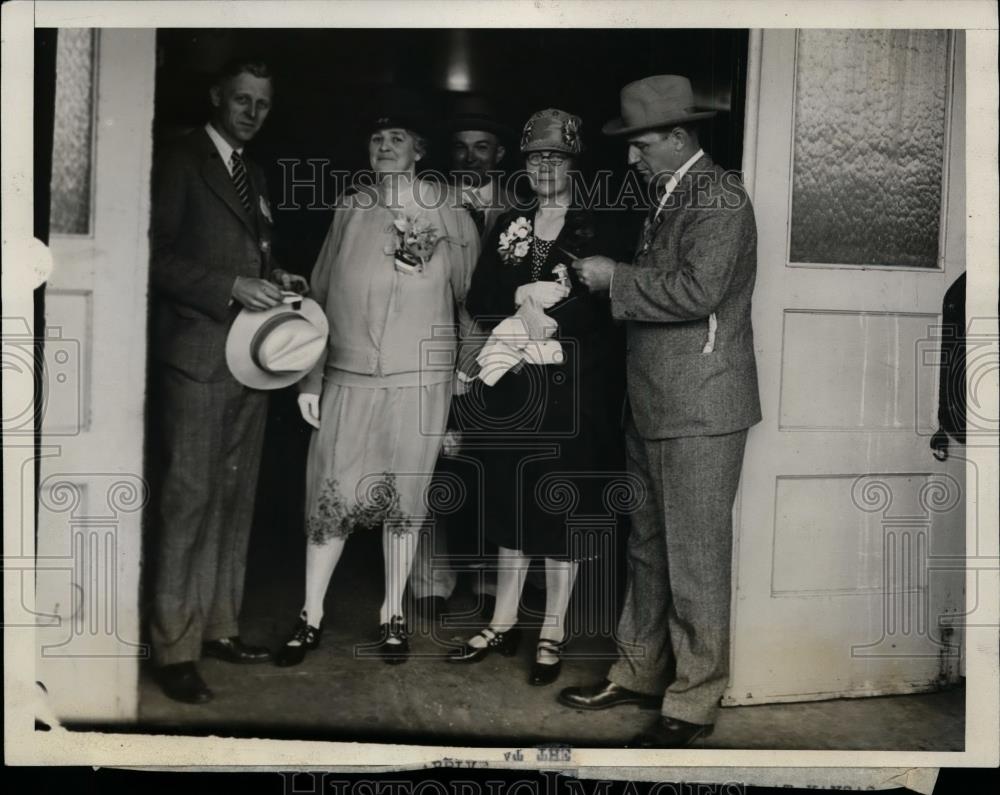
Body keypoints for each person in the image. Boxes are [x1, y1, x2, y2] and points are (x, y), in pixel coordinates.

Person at [565, 75, 762, 747]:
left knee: (696, 556)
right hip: (656, 402)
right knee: (649, 547)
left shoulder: (720, 196)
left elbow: (698, 291)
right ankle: (640, 670)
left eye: (641, 144)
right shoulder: (674, 193)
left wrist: (613, 277)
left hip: (700, 408)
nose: (632, 158)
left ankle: (694, 700)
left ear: (679, 137)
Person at [274, 97, 480, 667]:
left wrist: (465, 375)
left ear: (420, 150)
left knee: (403, 501)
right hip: (348, 373)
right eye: (376, 139)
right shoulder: (351, 206)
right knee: (330, 493)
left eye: (397, 137)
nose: (385, 146)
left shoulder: (448, 207)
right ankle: (309, 614)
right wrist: (310, 377)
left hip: (421, 378)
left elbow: (472, 299)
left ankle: (393, 613)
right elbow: (319, 290)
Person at [148, 58, 306, 704]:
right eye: (242, 100)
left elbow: (249, 253)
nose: (252, 113)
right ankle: (173, 647)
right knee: (188, 499)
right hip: (198, 355)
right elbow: (150, 254)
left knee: (233, 497)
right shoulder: (179, 160)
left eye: (262, 104)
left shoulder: (253, 173)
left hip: (249, 358)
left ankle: (218, 626)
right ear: (217, 96)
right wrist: (228, 287)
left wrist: (280, 275)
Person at [446, 109, 620, 687]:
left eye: (556, 158)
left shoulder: (598, 225)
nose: (544, 167)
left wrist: (555, 323)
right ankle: (501, 621)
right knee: (509, 499)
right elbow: (481, 298)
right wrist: (515, 320)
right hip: (514, 386)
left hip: (573, 388)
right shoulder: (509, 223)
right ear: (522, 165)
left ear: (574, 164)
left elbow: (611, 306)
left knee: (559, 507)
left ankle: (552, 630)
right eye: (535, 158)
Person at [410, 95, 519, 620]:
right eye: (460, 148)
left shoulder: (522, 208)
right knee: (429, 465)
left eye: (481, 148)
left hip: (497, 356)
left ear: (499, 155)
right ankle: (430, 578)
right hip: (432, 351)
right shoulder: (426, 203)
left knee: (492, 469)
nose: (470, 158)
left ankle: (488, 580)